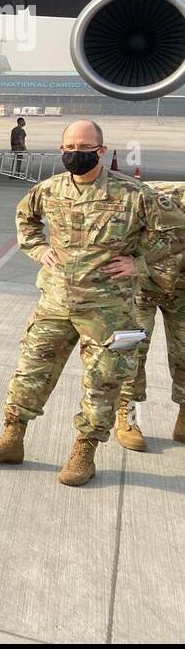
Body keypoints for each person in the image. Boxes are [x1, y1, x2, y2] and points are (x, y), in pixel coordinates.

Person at [0, 120, 185, 486]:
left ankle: (83, 454)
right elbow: (26, 220)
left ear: (101, 150)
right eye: (69, 146)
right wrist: (39, 249)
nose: (75, 152)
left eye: (84, 146)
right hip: (56, 301)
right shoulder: (49, 190)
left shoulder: (134, 194)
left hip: (108, 309)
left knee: (102, 383)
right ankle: (12, 438)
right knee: (30, 371)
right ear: (61, 149)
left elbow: (174, 234)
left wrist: (142, 264)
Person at [122, 181, 185, 449]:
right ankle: (125, 411)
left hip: (182, 289)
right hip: (141, 286)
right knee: (129, 349)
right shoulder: (153, 194)